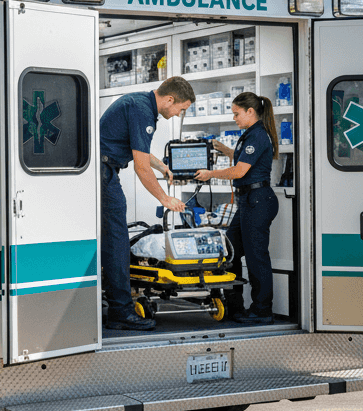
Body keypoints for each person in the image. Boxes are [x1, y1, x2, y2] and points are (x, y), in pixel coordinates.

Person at [100, 76, 196, 331]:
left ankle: (118, 305)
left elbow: (139, 151)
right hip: (103, 173)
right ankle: (120, 311)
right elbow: (141, 169)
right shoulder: (142, 110)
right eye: (181, 109)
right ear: (169, 99)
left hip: (103, 170)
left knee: (113, 238)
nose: (178, 114)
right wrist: (166, 199)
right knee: (116, 242)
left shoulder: (140, 103)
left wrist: (162, 166)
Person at [194, 92, 279, 325]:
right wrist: (223, 149)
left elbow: (240, 171)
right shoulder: (251, 135)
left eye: (236, 114)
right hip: (249, 201)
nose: (234, 118)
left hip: (257, 201)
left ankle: (262, 311)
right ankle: (235, 306)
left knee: (256, 258)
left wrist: (211, 174)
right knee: (229, 252)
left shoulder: (259, 135)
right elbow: (242, 160)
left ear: (250, 112)